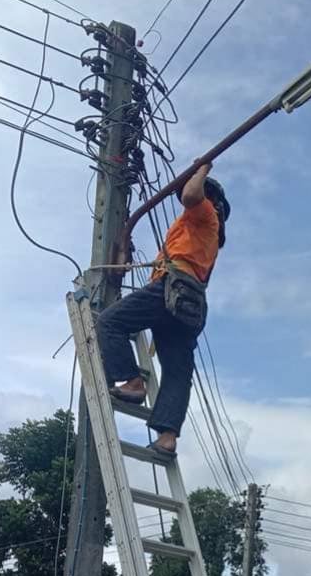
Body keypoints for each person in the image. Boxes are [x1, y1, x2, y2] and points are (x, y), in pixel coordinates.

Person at [98, 162, 230, 457]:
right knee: (177, 370)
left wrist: (202, 169)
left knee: (109, 322)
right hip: (190, 304)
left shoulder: (206, 212)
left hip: (172, 288)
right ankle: (167, 438)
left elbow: (191, 195)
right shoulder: (205, 232)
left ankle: (132, 382)